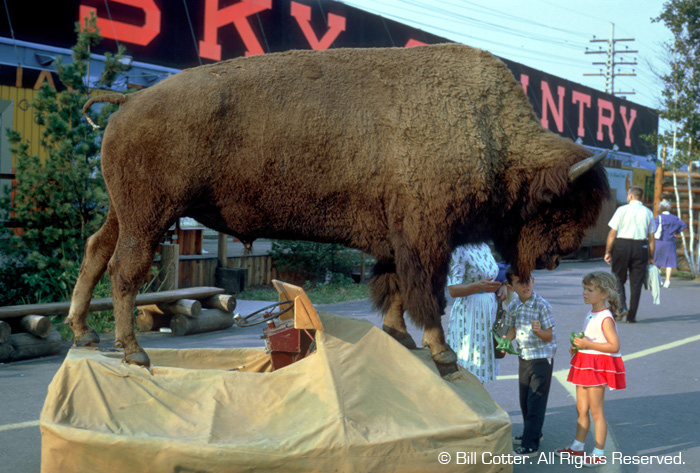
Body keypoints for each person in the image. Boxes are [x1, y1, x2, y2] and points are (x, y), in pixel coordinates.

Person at [557, 271, 626, 467]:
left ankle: (598, 452)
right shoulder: (591, 313)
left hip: (596, 369)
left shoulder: (605, 317)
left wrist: (588, 345)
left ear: (604, 294)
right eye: (584, 289)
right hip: (585, 365)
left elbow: (614, 346)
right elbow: (592, 340)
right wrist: (578, 346)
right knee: (581, 410)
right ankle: (577, 447)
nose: (584, 293)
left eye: (590, 290)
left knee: (596, 412)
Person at [503, 266, 556, 457]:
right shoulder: (513, 306)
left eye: (527, 280)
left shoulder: (542, 305)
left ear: (533, 281)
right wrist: (505, 342)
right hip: (524, 357)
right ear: (511, 287)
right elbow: (512, 330)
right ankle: (533, 433)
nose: (525, 285)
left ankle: (530, 445)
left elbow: (549, 335)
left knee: (536, 401)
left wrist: (538, 331)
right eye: (519, 282)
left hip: (542, 358)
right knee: (525, 400)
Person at [446, 243, 507, 383]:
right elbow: (453, 289)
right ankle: (466, 401)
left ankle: (477, 399)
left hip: (488, 309)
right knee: (469, 359)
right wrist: (478, 286)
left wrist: (502, 285)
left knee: (483, 358)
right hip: (470, 311)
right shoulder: (459, 249)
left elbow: (492, 273)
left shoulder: (484, 246)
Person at [604, 186, 656, 323]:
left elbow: (612, 233)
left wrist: (608, 251)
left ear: (630, 196)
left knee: (617, 278)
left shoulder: (622, 210)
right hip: (641, 246)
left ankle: (621, 307)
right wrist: (651, 257)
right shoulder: (648, 212)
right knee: (636, 282)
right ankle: (631, 316)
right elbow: (651, 238)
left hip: (621, 245)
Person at [654, 199, 688, 288]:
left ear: (660, 208)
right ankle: (667, 281)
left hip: (660, 242)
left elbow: (654, 229)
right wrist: (676, 232)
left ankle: (658, 280)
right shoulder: (674, 218)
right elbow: (684, 225)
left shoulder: (659, 217)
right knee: (669, 263)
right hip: (670, 242)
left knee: (657, 262)